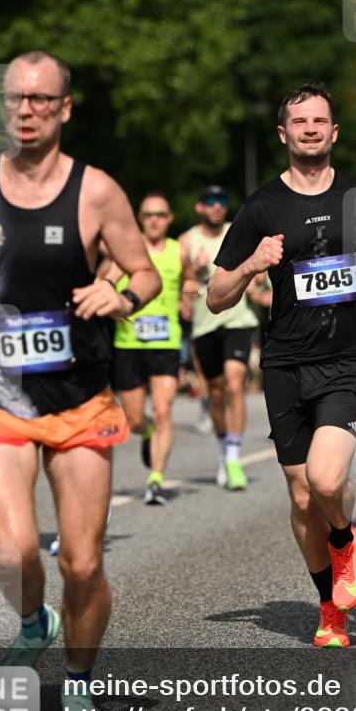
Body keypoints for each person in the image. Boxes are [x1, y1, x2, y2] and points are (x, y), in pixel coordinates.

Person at [0, 50, 161, 711]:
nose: (27, 111)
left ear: (65, 108)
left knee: (84, 564)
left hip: (80, 399)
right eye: (16, 99)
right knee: (12, 552)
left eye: (41, 99)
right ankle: (34, 621)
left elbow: (146, 275)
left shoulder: (97, 192)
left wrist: (117, 295)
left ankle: (81, 684)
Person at [207, 81, 356, 648]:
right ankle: (329, 607)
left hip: (346, 357)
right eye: (300, 121)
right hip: (286, 361)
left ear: (333, 132)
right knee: (300, 497)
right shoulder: (262, 205)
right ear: (283, 134)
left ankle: (344, 540)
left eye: (320, 121)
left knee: (324, 480)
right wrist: (251, 266)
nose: (310, 129)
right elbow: (216, 296)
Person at [105, 191, 192, 505]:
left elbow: (190, 280)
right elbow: (105, 282)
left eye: (160, 214)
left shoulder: (178, 251)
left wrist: (188, 295)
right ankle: (146, 433)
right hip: (128, 343)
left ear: (169, 219)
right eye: (148, 215)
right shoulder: (126, 250)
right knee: (134, 419)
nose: (154, 220)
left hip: (166, 342)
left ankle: (155, 479)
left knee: (163, 408)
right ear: (140, 219)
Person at [180, 186, 259, 490]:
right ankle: (224, 448)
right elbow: (182, 282)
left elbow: (257, 271)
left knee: (235, 382)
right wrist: (194, 271)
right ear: (200, 207)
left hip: (239, 319)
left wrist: (257, 280)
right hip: (205, 324)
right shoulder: (188, 240)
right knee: (214, 391)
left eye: (222, 201)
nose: (217, 207)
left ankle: (235, 457)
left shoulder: (237, 231)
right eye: (211, 201)